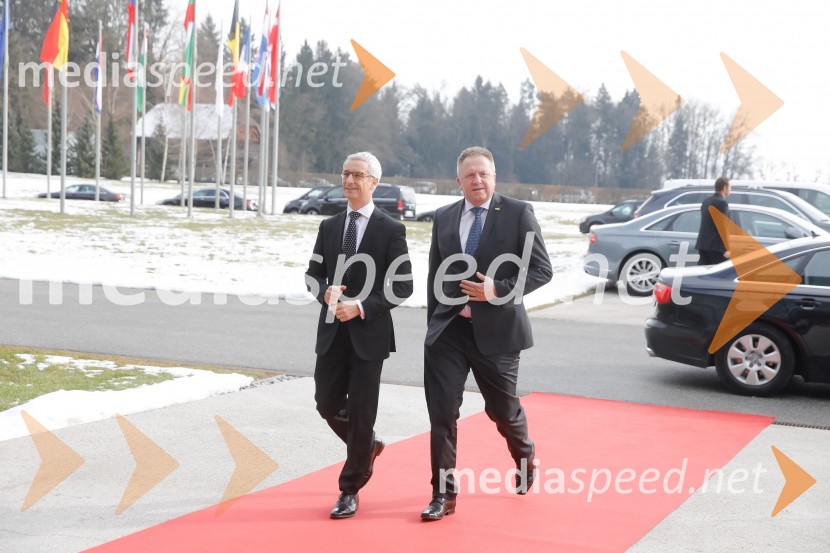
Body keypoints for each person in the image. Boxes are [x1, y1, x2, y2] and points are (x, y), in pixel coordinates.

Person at [421, 146, 553, 521]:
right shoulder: (445, 217)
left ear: (494, 177)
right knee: (442, 414)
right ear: (458, 180)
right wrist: (433, 324)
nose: (477, 181)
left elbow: (541, 270)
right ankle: (443, 495)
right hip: (449, 331)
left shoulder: (518, 213)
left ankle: (524, 453)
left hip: (497, 333)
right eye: (470, 175)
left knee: (501, 410)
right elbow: (436, 275)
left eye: (484, 174)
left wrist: (497, 290)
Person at [305, 152, 413, 519]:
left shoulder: (391, 229)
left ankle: (349, 489)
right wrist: (323, 292)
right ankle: (367, 445)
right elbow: (312, 274)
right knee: (325, 402)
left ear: (374, 182)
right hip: (332, 332)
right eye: (345, 173)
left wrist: (362, 305)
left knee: (363, 412)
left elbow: (403, 285)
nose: (349, 180)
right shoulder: (329, 226)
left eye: (358, 175)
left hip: (370, 334)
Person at [695, 176, 731, 265]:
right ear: (725, 187)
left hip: (703, 244)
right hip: (716, 247)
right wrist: (728, 248)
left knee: (703, 273)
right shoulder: (722, 203)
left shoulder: (706, 201)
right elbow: (723, 226)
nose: (730, 189)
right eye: (730, 187)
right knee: (719, 276)